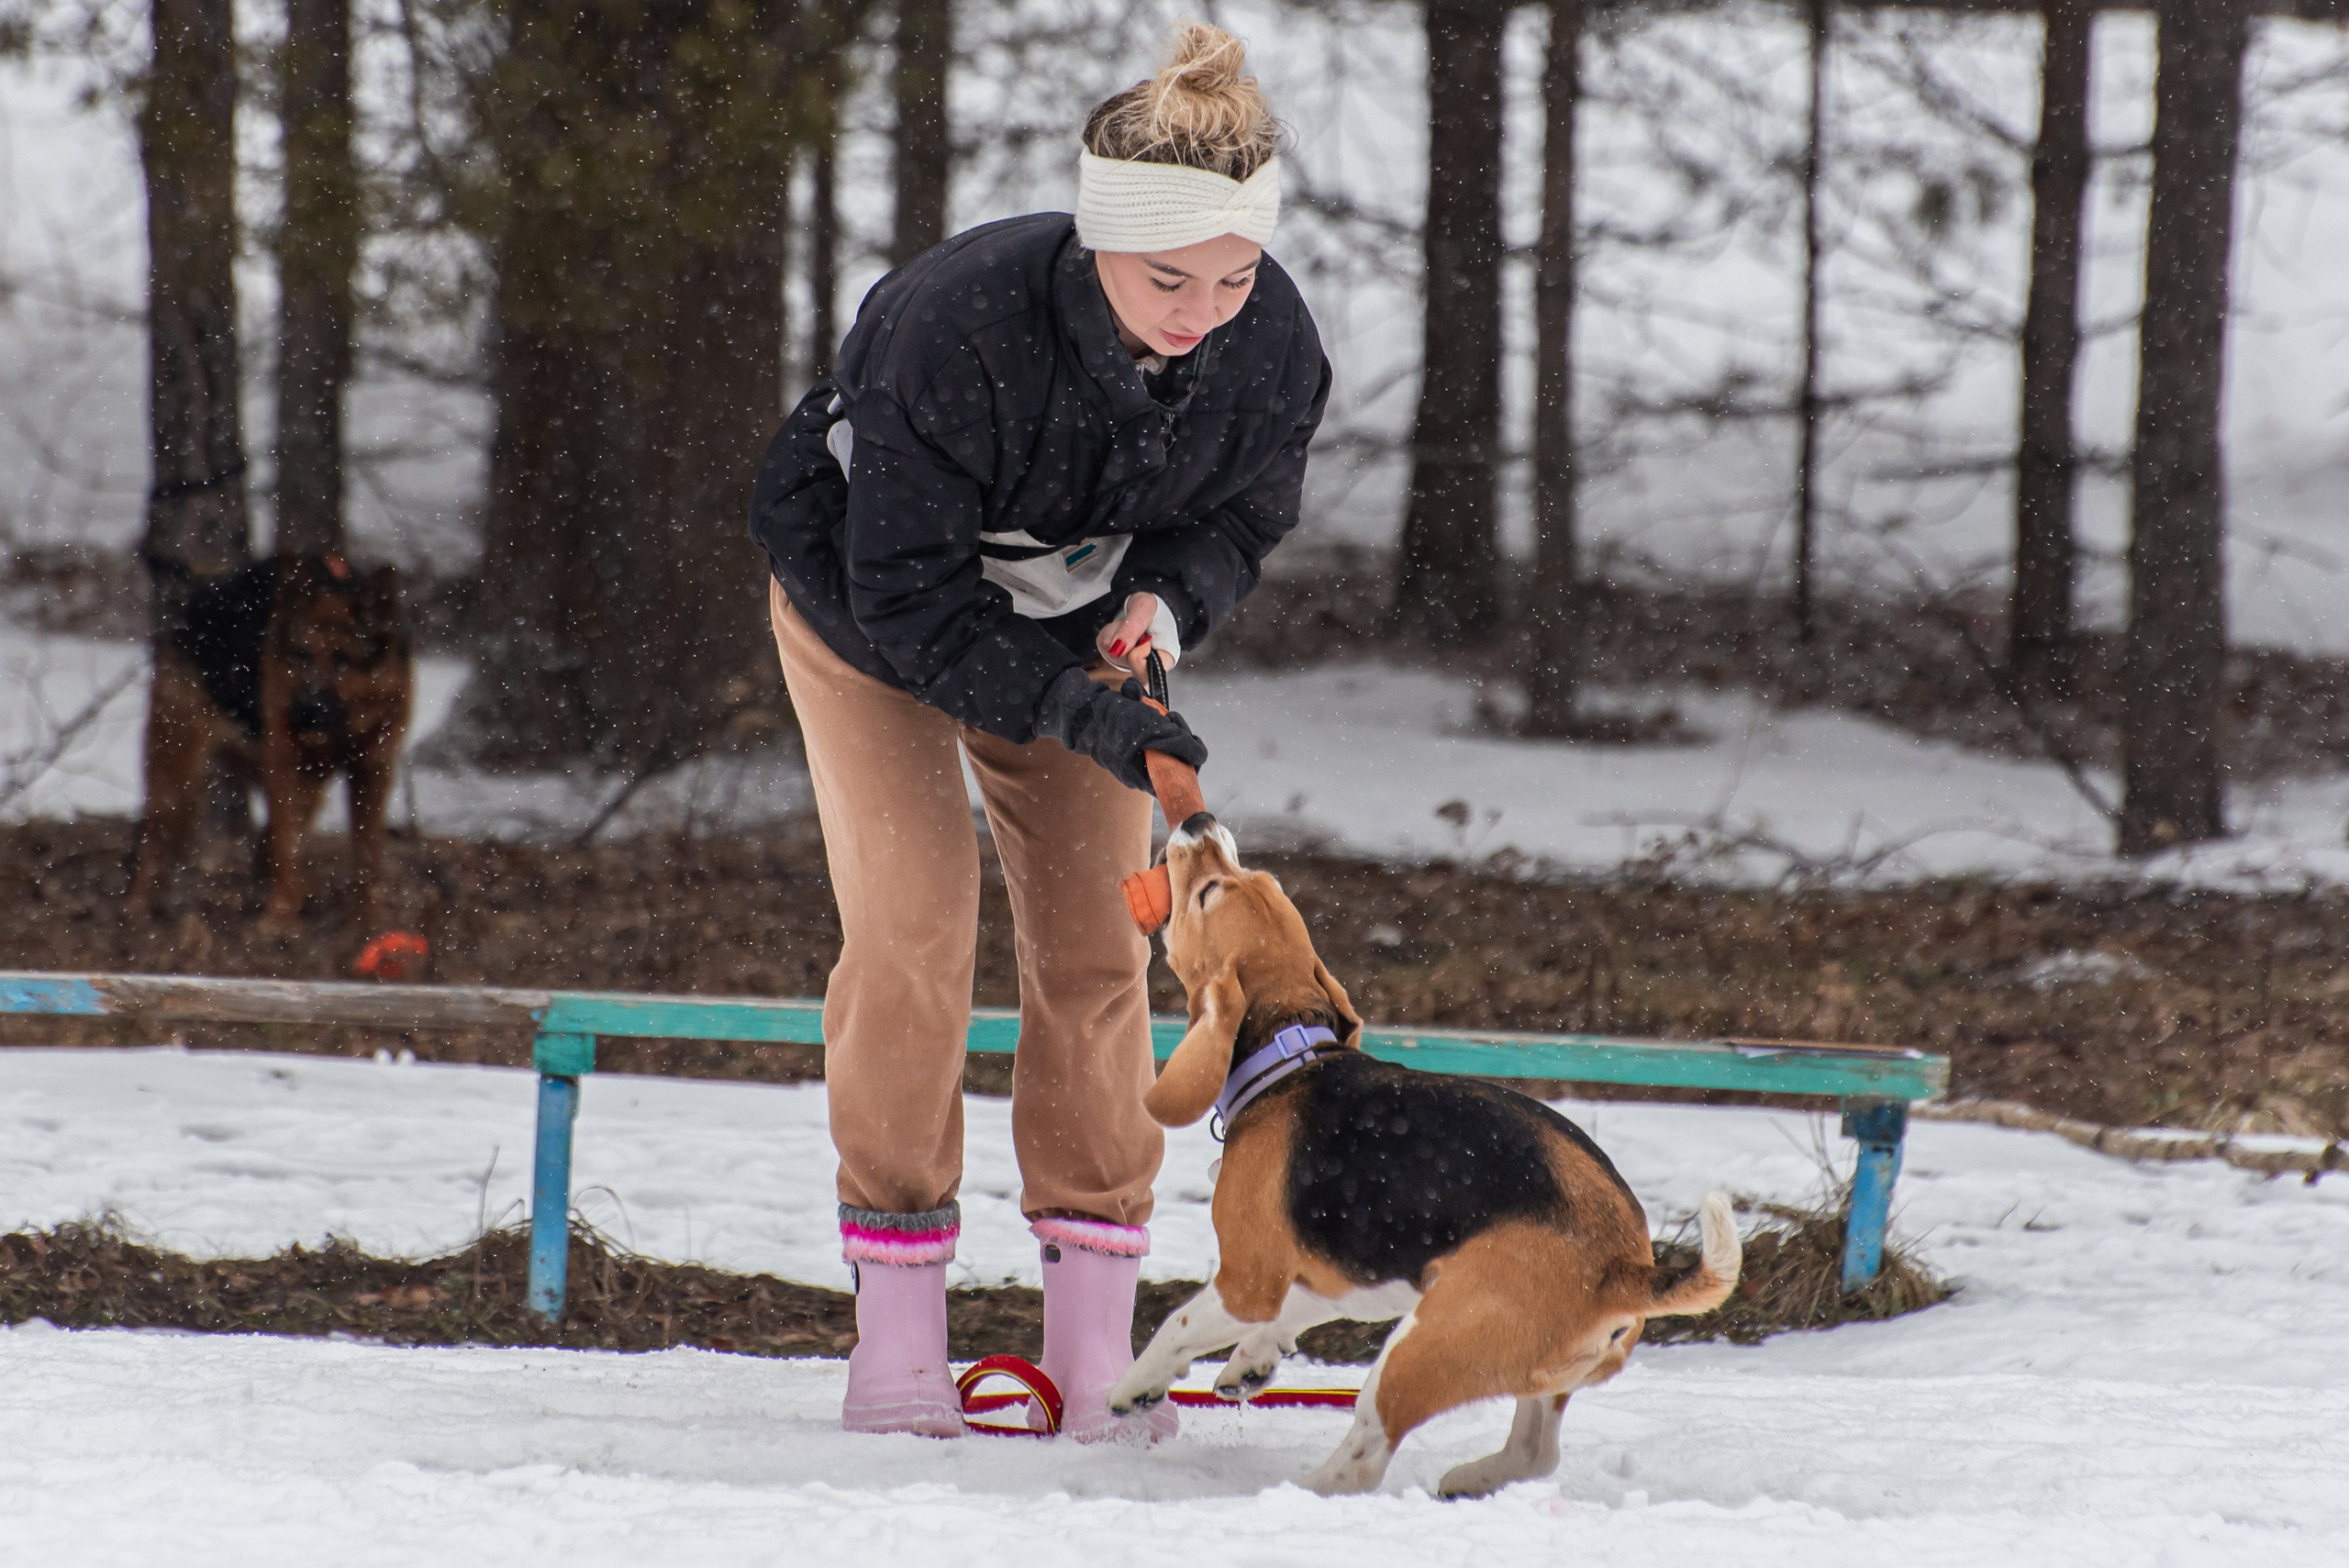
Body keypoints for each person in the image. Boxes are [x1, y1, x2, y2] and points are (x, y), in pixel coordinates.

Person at [749, 22, 1330, 1440]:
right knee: (913, 932)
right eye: (1168, 276)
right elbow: (909, 596)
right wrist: (1075, 706)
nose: (1204, 308)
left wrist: (1165, 603)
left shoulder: (1270, 347)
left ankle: (1094, 1346)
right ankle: (897, 1334)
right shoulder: (957, 327)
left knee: (1096, 946)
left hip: (1081, 627)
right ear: (1097, 247)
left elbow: (1241, 513)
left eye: (1234, 275)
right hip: (875, 617)